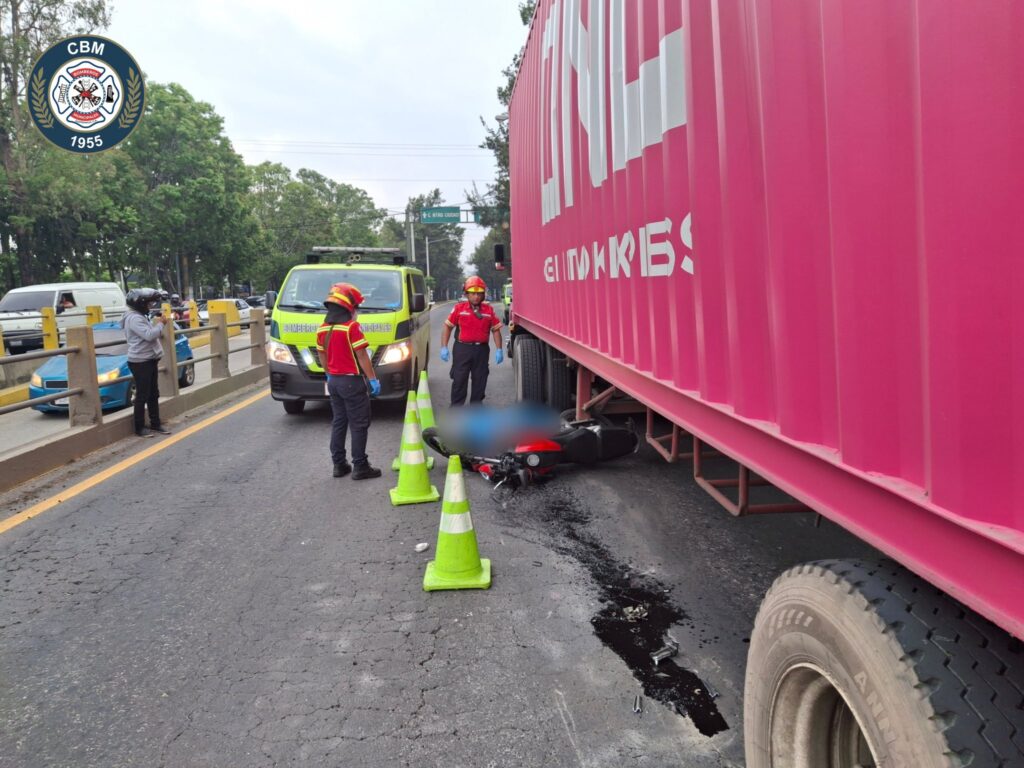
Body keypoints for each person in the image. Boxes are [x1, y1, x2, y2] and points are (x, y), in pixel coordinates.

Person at [316, 282, 382, 479]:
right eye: (355, 308)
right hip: (351, 382)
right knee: (359, 424)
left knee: (339, 421)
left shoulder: (323, 329)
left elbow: (322, 356)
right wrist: (372, 379)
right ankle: (360, 466)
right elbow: (362, 355)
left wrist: (329, 373)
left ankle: (339, 465)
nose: (356, 312)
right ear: (348, 308)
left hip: (333, 382)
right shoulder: (351, 328)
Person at [439, 276, 504, 406]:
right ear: (467, 294)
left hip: (481, 350)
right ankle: (456, 407)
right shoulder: (459, 309)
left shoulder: (488, 310)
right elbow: (447, 326)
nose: (476, 297)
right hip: (462, 349)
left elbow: (495, 330)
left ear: (483, 295)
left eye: (479, 294)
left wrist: (499, 349)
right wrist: (444, 347)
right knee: (459, 378)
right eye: (473, 293)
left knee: (480, 378)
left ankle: (476, 405)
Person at [121, 288, 171, 437]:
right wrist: (161, 324)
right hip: (140, 361)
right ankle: (139, 427)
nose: (151, 305)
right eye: (149, 303)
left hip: (149, 359)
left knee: (153, 393)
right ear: (140, 304)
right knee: (142, 395)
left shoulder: (139, 316)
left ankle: (155, 423)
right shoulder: (134, 318)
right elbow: (149, 335)